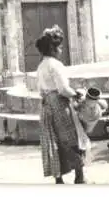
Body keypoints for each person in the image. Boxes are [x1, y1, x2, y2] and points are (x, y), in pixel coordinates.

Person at [36, 25, 90, 184]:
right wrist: (76, 93)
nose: (61, 50)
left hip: (46, 105)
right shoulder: (55, 65)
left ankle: (58, 178)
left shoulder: (41, 66)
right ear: (53, 48)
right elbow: (63, 89)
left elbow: (40, 89)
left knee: (53, 139)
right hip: (59, 104)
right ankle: (79, 176)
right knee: (72, 137)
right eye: (59, 47)